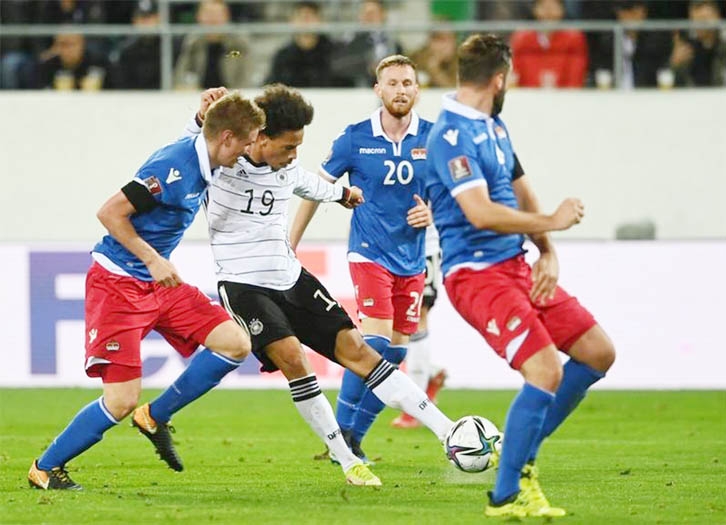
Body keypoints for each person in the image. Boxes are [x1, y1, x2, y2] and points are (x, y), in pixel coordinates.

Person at [160, 83, 455, 486]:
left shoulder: (288, 171)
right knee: (295, 361)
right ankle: (347, 459)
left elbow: (316, 186)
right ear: (260, 138)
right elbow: (187, 150)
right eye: (288, 146)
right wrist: (198, 119)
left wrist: (345, 194)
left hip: (291, 278)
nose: (295, 155)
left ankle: (448, 433)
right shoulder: (220, 163)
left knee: (358, 350)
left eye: (300, 145)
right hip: (244, 287)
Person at [28, 91, 265, 490]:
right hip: (118, 285)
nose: (248, 150)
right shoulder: (175, 165)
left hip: (158, 287)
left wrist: (198, 117)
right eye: (246, 141)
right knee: (120, 401)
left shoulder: (201, 153)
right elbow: (109, 212)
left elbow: (192, 142)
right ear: (226, 137)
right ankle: (45, 467)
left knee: (236, 343)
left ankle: (154, 415)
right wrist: (153, 258)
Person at [426, 34, 615, 517]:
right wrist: (551, 221)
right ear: (499, 77)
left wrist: (547, 250)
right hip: (477, 276)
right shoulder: (449, 136)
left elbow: (517, 188)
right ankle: (506, 494)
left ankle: (519, 449)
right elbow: (481, 212)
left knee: (596, 351)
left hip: (517, 265)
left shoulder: (494, 126)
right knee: (546, 369)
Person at [290, 55, 433, 463]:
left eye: (408, 82)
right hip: (368, 252)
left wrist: (433, 213)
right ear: (378, 90)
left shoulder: (435, 138)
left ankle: (352, 439)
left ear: (417, 89)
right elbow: (316, 189)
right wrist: (290, 242)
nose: (400, 90)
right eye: (392, 83)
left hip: (413, 258)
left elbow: (452, 195)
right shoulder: (354, 138)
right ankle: (340, 440)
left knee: (397, 354)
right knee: (372, 342)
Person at [390, 224, 447, 429]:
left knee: (416, 315)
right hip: (384, 244)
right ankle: (429, 373)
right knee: (389, 323)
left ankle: (413, 409)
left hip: (423, 246)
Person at [510, 0, 588, 88]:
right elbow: (514, 74)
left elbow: (576, 75)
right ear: (535, 9)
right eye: (543, 6)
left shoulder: (574, 38)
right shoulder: (522, 38)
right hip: (528, 95)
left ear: (562, 10)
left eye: (553, 6)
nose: (548, 12)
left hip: (565, 96)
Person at [265, 1, 345, 87]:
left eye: (310, 17)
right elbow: (272, 85)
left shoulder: (336, 52)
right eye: (301, 17)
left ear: (320, 20)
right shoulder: (282, 56)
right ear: (292, 21)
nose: (306, 22)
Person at [173, 0, 248, 89]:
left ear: (226, 16)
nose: (213, 19)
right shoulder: (193, 42)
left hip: (231, 95)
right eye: (208, 13)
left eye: (217, 14)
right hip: (199, 95)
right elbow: (181, 73)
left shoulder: (238, 43)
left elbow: (247, 73)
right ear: (199, 16)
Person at [332, 0, 404, 87]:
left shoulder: (394, 44)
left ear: (383, 14)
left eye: (373, 13)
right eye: (364, 13)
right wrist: (368, 66)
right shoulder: (349, 42)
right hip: (355, 91)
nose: (368, 17)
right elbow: (338, 66)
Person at [670, 0, 726, 87]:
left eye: (704, 19)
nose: (700, 25)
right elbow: (670, 81)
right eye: (695, 20)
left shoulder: (724, 45)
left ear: (717, 17)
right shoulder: (686, 47)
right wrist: (674, 64)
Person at [112, 0, 161, 90]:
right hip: (133, 101)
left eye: (149, 18)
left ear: (159, 19)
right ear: (134, 21)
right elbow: (121, 86)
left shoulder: (170, 47)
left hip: (165, 101)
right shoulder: (126, 51)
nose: (146, 23)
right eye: (142, 18)